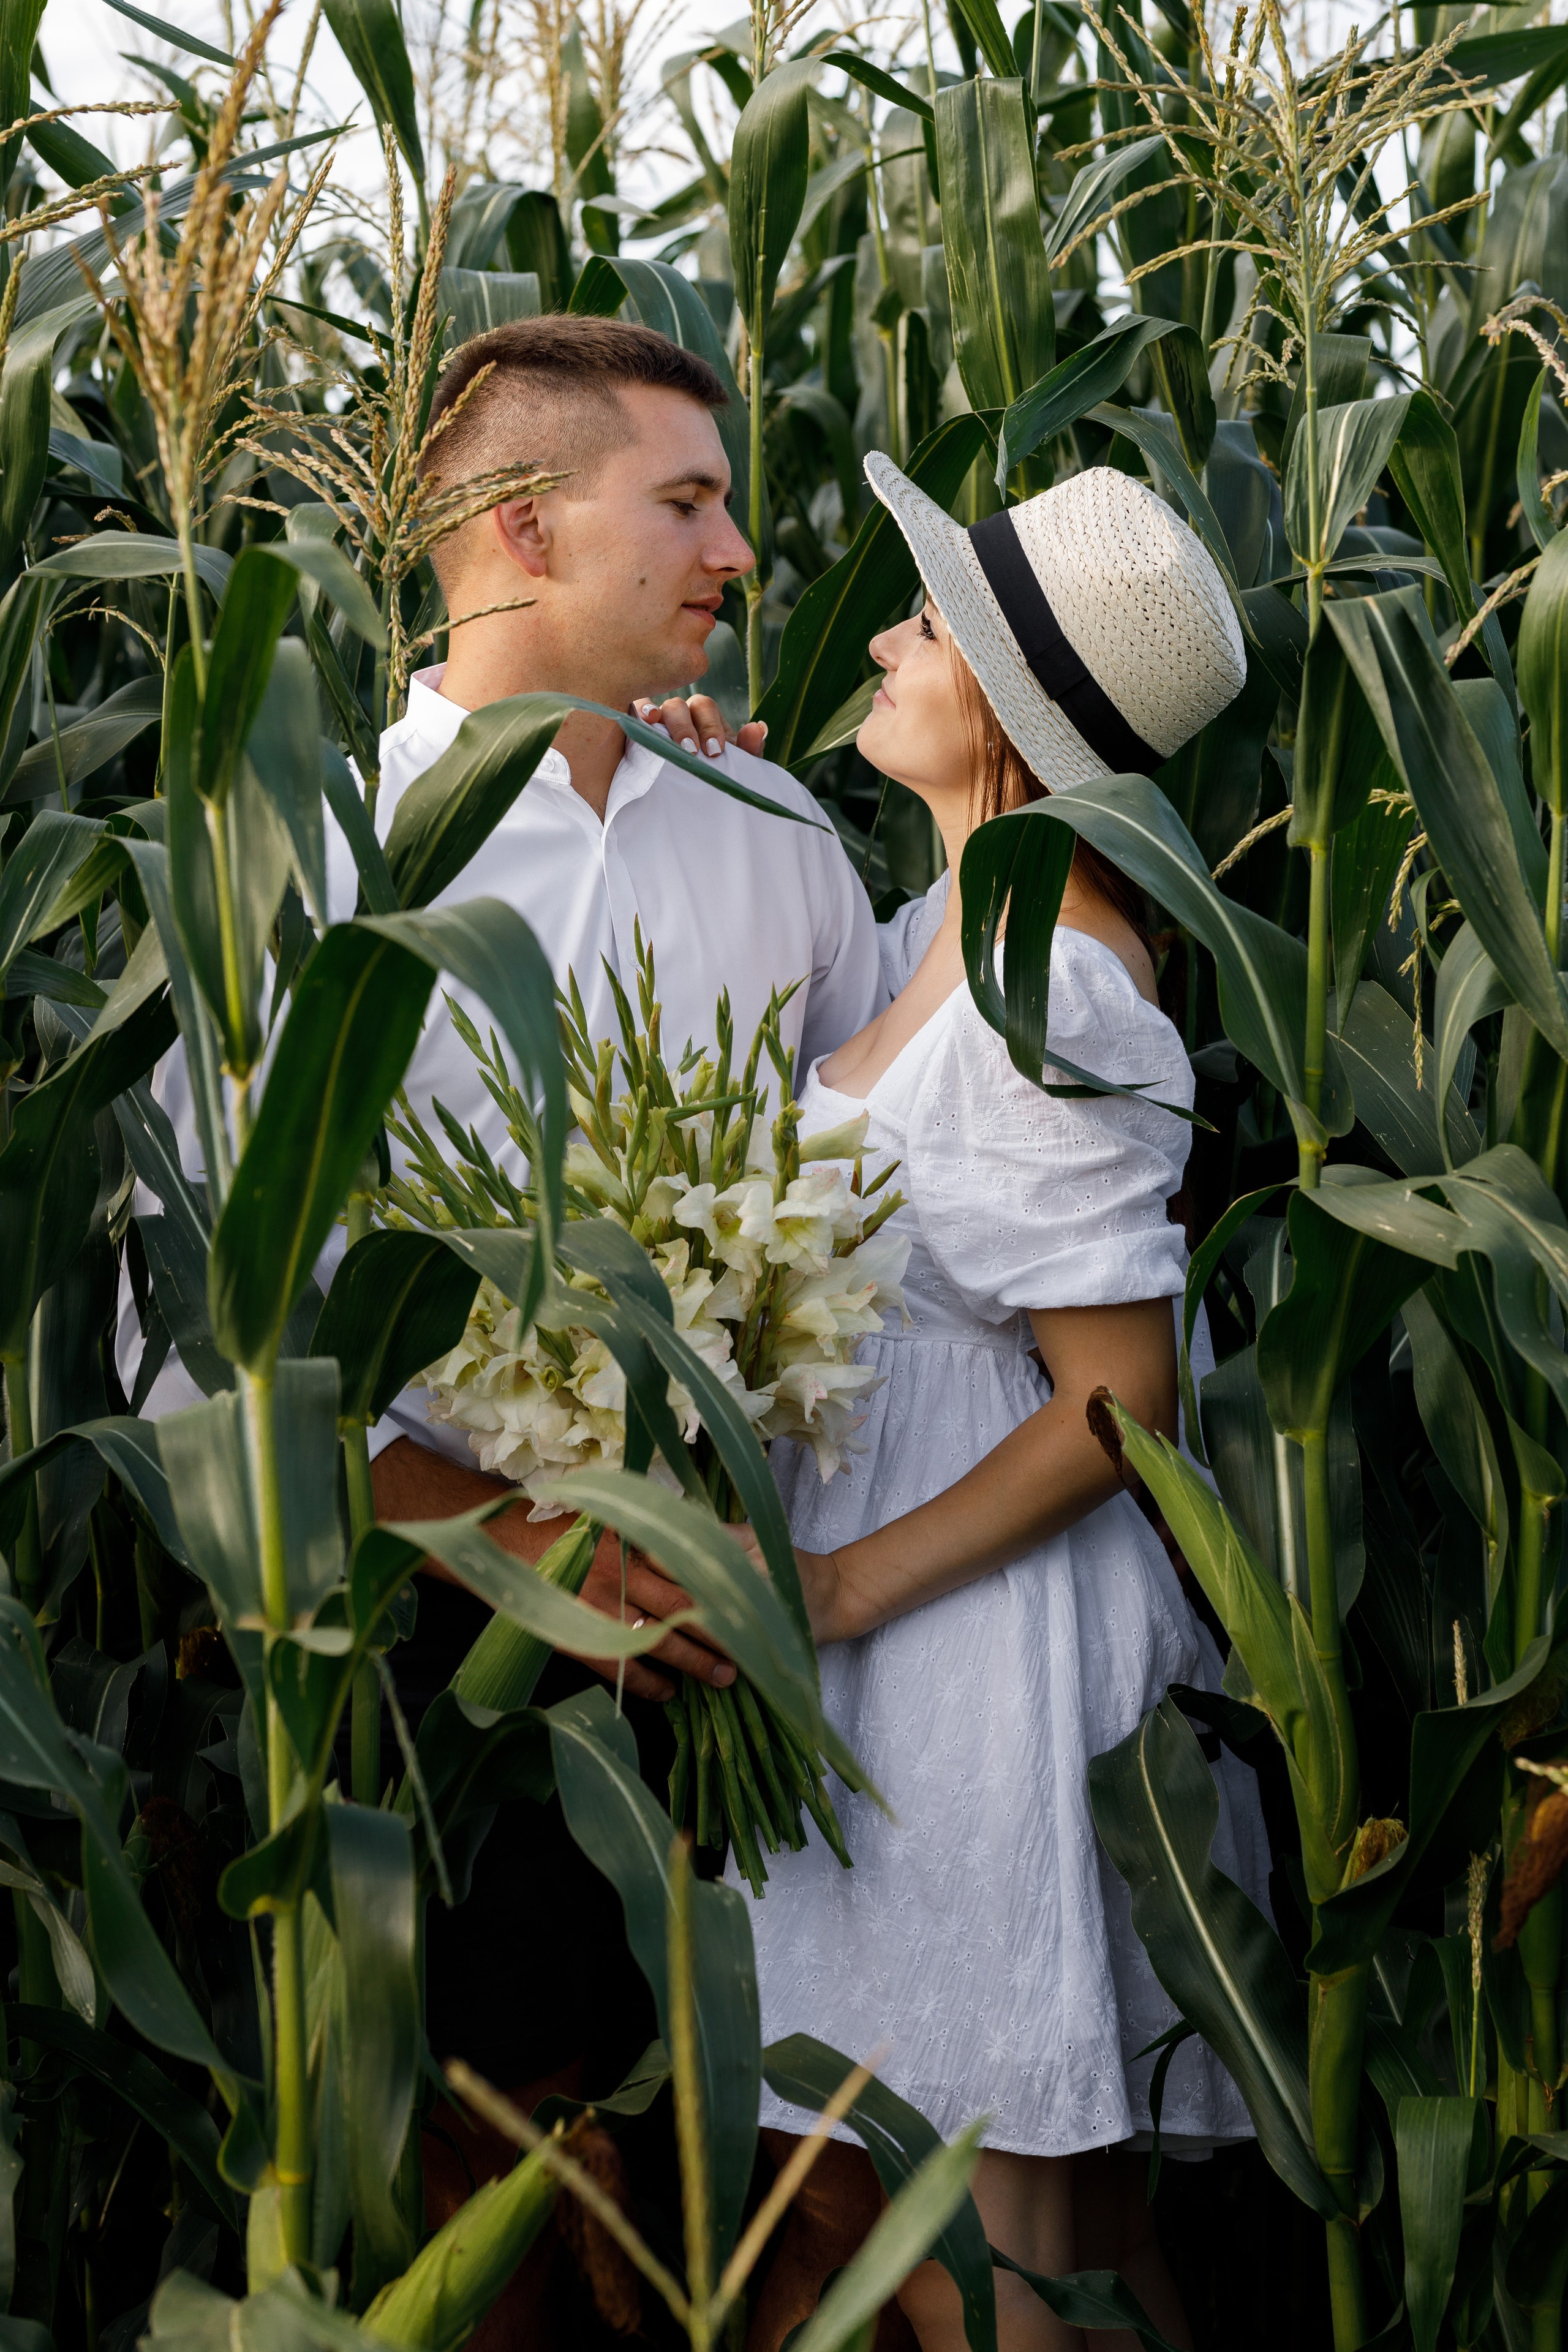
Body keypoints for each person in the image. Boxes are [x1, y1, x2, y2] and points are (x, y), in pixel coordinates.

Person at [115, 313, 885, 2105]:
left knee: (786, 2174)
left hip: (778, 1634)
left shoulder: (777, 833)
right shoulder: (306, 864)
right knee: (521, 2188)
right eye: (686, 503)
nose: (739, 552)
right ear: (528, 528)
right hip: (436, 1673)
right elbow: (182, 1368)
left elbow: (892, 1184)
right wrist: (541, 1549)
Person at [712, 459, 1273, 2352]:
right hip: (900, 1650)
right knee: (1031, 2251)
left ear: (1018, 718)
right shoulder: (929, 925)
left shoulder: (1064, 982)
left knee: (1006, 2274)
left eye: (927, 623)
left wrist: (850, 1588)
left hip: (977, 1661)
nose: (879, 631)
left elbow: (1122, 1399)